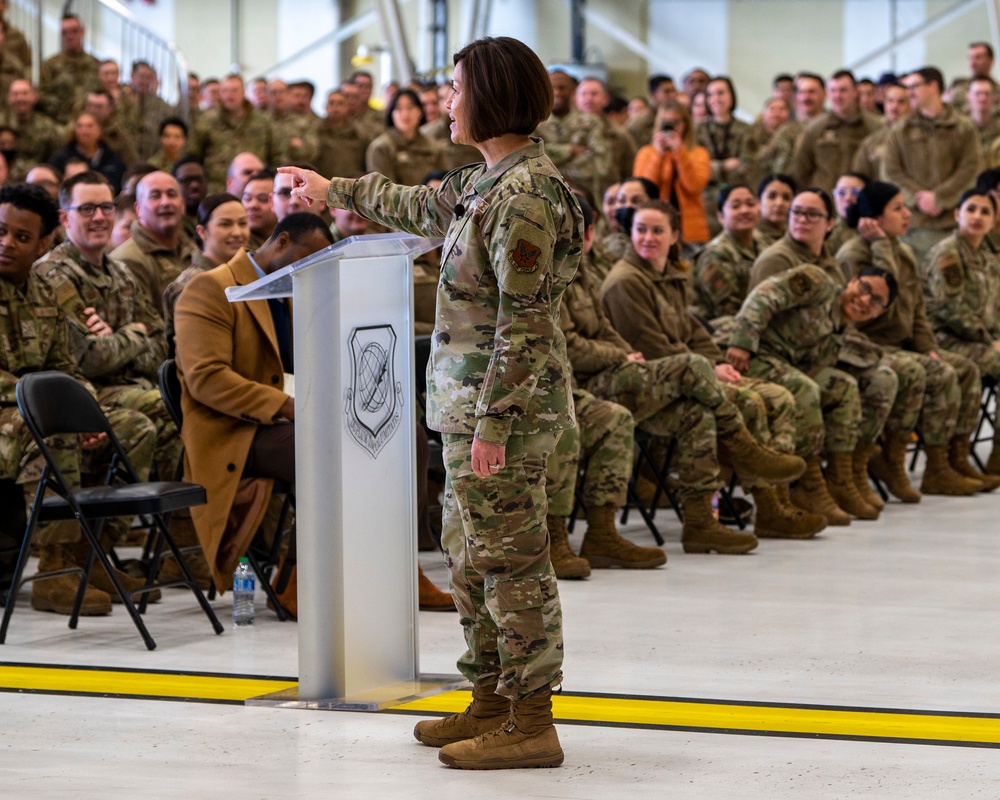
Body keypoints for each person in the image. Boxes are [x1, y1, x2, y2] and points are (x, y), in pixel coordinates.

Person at [281, 35, 578, 771]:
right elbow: (414, 203)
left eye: (454, 89)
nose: (445, 102)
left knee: (511, 565)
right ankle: (490, 699)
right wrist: (334, 190)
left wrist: (496, 424)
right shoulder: (482, 182)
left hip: (498, 416)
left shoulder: (526, 196)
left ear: (491, 97)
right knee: (470, 560)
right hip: (465, 409)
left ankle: (533, 720)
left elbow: (525, 321)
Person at [0, 181, 155, 615]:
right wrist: (47, 409)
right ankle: (53, 570)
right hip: (15, 411)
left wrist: (84, 411)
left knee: (131, 427)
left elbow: (66, 367)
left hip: (32, 408)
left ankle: (93, 553)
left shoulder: (45, 291)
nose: (6, 243)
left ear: (44, 242)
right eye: (0, 232)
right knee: (51, 433)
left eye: (22, 237)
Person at [174, 213, 333, 616]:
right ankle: (298, 575)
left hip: (283, 421)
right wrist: (287, 406)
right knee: (323, 447)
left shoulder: (293, 291)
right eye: (306, 257)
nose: (309, 268)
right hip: (231, 428)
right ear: (280, 242)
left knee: (407, 439)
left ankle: (397, 567)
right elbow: (206, 379)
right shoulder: (209, 288)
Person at [836, 181, 994, 498]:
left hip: (903, 344)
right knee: (931, 373)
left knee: (963, 368)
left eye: (907, 207)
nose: (908, 214)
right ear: (874, 217)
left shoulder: (903, 250)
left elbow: (917, 310)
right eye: (898, 208)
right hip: (868, 346)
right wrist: (880, 246)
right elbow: (884, 302)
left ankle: (950, 461)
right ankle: (893, 463)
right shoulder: (854, 254)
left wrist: (928, 348)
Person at [725, 265, 898, 523]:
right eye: (864, 289)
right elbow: (764, 294)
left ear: (880, 312)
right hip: (749, 356)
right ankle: (809, 484)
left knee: (845, 386)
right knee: (805, 389)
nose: (864, 301)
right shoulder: (818, 284)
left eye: (875, 301)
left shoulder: (842, 329)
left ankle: (842, 478)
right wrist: (742, 341)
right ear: (852, 280)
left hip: (783, 366)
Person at [922, 189, 1000, 474]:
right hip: (947, 339)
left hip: (979, 341)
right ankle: (964, 457)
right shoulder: (948, 253)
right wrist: (991, 341)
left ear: (994, 220)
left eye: (985, 212)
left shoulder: (989, 257)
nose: (977, 216)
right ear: (957, 214)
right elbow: (950, 308)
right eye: (971, 209)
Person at [882, 67, 981, 266]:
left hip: (952, 225)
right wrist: (919, 197)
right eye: (906, 87)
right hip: (912, 226)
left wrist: (940, 197)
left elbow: (970, 168)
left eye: (914, 86)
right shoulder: (900, 130)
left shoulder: (962, 127)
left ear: (933, 86)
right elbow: (890, 172)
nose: (908, 92)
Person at [162, 192, 249, 352]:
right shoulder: (191, 284)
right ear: (202, 232)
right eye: (225, 224)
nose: (237, 232)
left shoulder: (249, 275)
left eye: (243, 223)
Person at [110, 170, 195, 307]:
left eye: (171, 195)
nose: (165, 202)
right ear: (138, 209)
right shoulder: (127, 260)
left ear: (183, 205)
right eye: (155, 196)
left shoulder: (190, 247)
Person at [632, 100, 711, 247]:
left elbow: (694, 187)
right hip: (655, 227)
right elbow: (644, 189)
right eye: (665, 122)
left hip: (690, 229)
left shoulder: (699, 153)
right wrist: (658, 155)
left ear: (685, 124)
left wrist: (680, 152)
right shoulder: (646, 153)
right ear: (658, 123)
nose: (671, 127)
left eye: (675, 122)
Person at [697, 76, 750, 236]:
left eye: (721, 93)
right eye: (710, 94)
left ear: (731, 96)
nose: (715, 99)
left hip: (737, 202)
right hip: (702, 204)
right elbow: (695, 170)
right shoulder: (696, 129)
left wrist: (711, 167)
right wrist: (724, 166)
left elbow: (747, 168)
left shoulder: (746, 130)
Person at [365, 88, 443, 186]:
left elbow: (444, 182)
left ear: (420, 112)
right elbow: (383, 193)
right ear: (391, 113)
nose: (405, 114)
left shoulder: (433, 146)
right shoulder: (380, 148)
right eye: (398, 108)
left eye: (410, 107)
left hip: (430, 200)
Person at [49, 112, 127, 194]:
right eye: (80, 126)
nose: (84, 131)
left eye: (90, 126)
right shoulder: (62, 159)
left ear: (99, 130)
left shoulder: (113, 159)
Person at [755, 173, 796, 247]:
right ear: (758, 202)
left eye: (786, 198)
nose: (779, 203)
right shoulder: (750, 238)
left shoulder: (796, 237)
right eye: (772, 196)